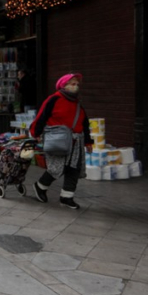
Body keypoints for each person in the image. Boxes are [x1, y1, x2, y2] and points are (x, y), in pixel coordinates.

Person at [29, 73, 93, 209]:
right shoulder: (53, 99)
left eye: (77, 84)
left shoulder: (78, 104)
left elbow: (85, 124)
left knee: (73, 169)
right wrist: (36, 132)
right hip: (57, 139)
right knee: (56, 168)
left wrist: (88, 142)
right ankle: (40, 186)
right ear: (63, 85)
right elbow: (41, 116)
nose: (75, 87)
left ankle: (67, 197)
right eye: (72, 84)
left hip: (76, 142)